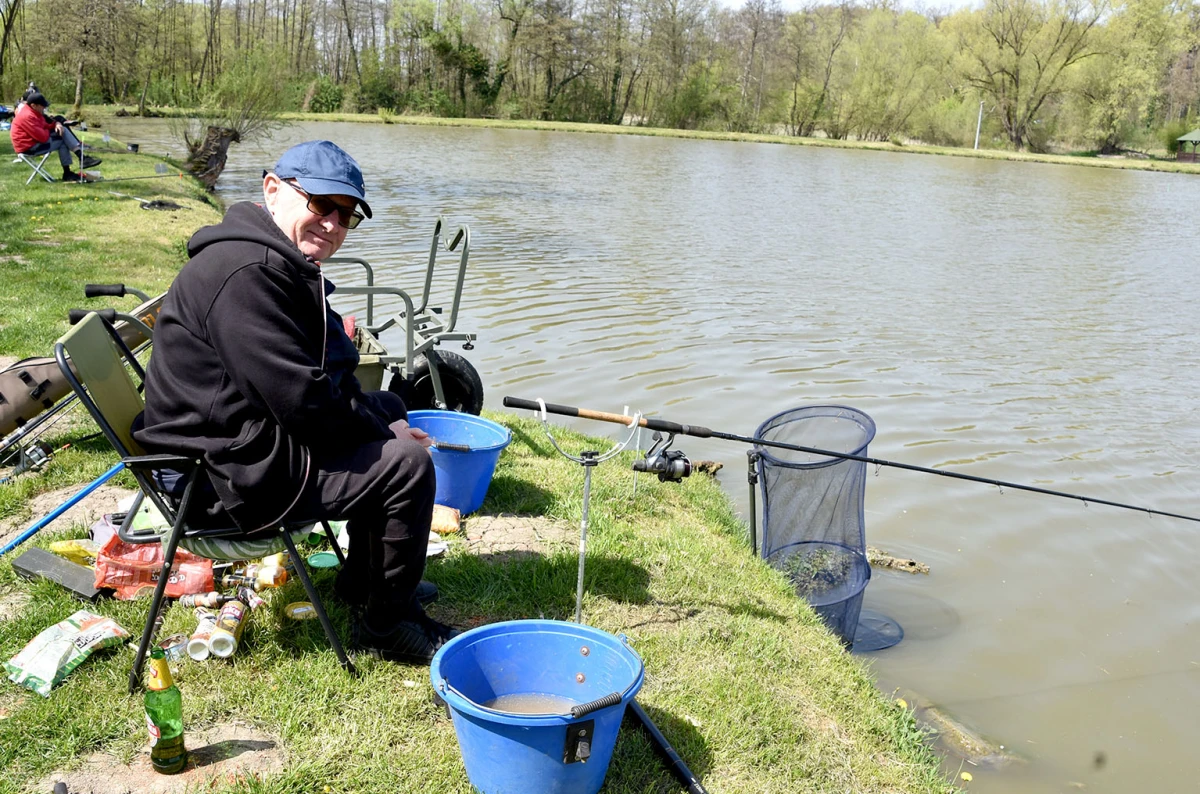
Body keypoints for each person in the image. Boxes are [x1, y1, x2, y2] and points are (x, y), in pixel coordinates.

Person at [134, 140, 460, 664]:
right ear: (272, 190)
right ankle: (385, 624)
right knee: (407, 463)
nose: (332, 224)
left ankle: (370, 585)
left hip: (246, 440)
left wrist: (383, 418)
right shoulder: (246, 274)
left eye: (346, 216)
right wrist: (384, 435)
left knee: (393, 416)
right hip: (219, 475)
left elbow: (331, 370)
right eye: (321, 205)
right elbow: (304, 404)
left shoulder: (279, 263)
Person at [9, 89, 101, 182]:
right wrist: (52, 129)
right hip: (28, 148)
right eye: (43, 106)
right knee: (62, 138)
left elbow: (44, 124)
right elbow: (43, 137)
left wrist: (56, 124)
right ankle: (76, 164)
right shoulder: (28, 116)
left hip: (32, 142)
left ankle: (76, 164)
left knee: (62, 131)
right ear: (34, 105)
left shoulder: (33, 112)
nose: (44, 108)